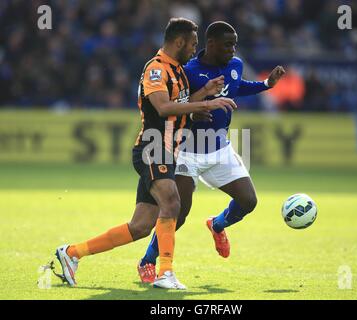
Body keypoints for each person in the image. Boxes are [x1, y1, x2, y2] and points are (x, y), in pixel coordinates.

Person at [54, 18, 236, 290]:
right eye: (193, 44)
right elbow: (163, 107)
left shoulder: (178, 70)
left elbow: (180, 103)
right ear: (179, 41)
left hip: (166, 152)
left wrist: (203, 94)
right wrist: (203, 102)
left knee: (140, 227)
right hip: (153, 147)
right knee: (172, 202)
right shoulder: (156, 69)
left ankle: (71, 253)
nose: (194, 49)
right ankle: (166, 273)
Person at [137, 21, 285, 283]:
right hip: (186, 151)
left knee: (249, 201)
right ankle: (148, 260)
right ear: (212, 44)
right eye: (228, 44)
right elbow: (177, 103)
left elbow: (239, 86)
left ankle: (217, 225)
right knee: (178, 213)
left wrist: (265, 84)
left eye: (235, 44)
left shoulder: (235, 65)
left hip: (219, 149)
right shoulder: (188, 70)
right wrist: (202, 102)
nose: (233, 49)